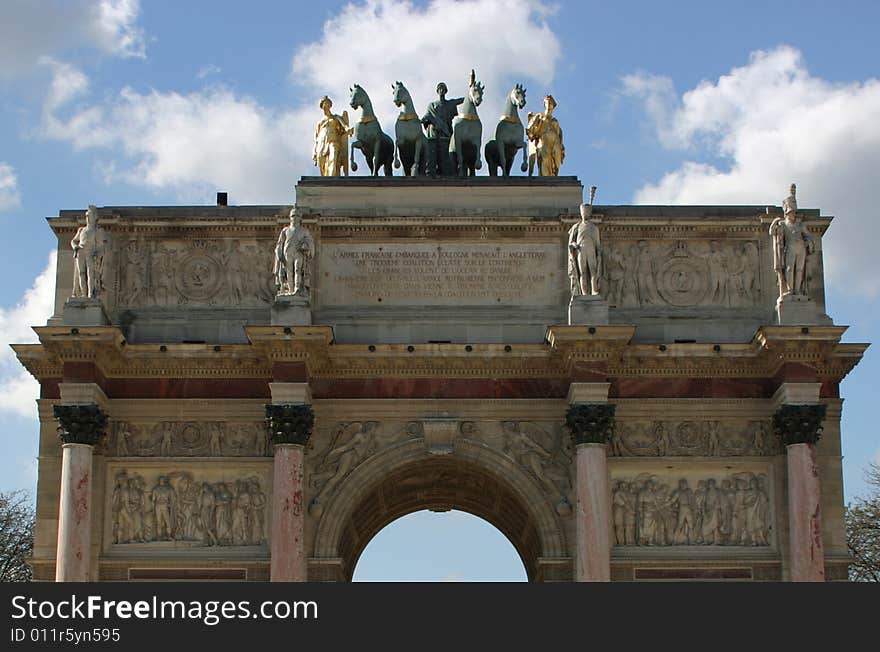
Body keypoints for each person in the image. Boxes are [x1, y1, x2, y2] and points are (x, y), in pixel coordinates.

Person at [769, 183, 814, 299]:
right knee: (789, 269)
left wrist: (809, 243)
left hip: (801, 249)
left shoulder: (800, 225)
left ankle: (797, 291)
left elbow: (808, 236)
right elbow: (772, 232)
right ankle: (789, 289)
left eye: (794, 212)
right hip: (790, 248)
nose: (793, 214)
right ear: (786, 213)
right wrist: (774, 223)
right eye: (791, 212)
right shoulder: (783, 224)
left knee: (799, 269)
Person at [421, 82, 463, 176]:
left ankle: (447, 170)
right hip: (434, 133)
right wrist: (423, 120)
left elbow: (460, 100)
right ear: (437, 91)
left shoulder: (449, 104)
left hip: (445, 134)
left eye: (443, 89)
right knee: (432, 153)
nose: (441, 90)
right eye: (440, 89)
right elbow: (427, 116)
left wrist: (471, 92)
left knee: (446, 154)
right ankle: (430, 171)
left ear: (446, 91)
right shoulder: (432, 105)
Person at [274, 207, 315, 296]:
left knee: (298, 269)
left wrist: (306, 246)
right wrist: (278, 252)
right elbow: (280, 243)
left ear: (300, 218)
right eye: (293, 215)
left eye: (297, 215)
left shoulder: (304, 231)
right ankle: (290, 290)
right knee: (288, 271)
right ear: (290, 217)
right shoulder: (285, 230)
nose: (295, 217)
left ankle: (297, 289)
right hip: (287, 252)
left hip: (299, 252)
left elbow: (309, 241)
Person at [70, 204, 108, 299]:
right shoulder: (81, 230)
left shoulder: (98, 230)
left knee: (90, 274)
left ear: (95, 217)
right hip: (81, 251)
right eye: (86, 215)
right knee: (81, 273)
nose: (87, 217)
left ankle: (90, 294)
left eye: (89, 215)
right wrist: (75, 246)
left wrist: (98, 253)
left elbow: (102, 245)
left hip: (91, 253)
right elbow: (74, 240)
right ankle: (83, 294)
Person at [567, 200, 601, 296]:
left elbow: (597, 244)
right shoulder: (576, 227)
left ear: (589, 213)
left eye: (586, 212)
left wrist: (599, 255)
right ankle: (584, 293)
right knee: (582, 272)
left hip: (591, 249)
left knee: (593, 271)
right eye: (583, 212)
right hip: (580, 250)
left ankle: (594, 291)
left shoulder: (594, 228)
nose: (585, 214)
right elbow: (571, 242)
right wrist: (574, 245)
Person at [526, 95, 565, 176]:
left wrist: (561, 146)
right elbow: (530, 129)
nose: (549, 105)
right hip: (544, 141)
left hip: (555, 141)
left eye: (550, 103)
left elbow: (558, 134)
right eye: (547, 103)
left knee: (557, 159)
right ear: (545, 105)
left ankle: (554, 175)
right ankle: (546, 179)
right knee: (545, 159)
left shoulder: (555, 121)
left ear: (553, 106)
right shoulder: (540, 117)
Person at [313, 96, 351, 176]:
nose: (325, 105)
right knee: (322, 163)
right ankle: (326, 180)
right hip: (321, 144)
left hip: (333, 141)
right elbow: (316, 138)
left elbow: (345, 126)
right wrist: (314, 152)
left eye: (327, 103)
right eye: (323, 104)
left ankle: (332, 178)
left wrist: (348, 130)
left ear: (330, 105)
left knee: (333, 157)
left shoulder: (336, 118)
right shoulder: (320, 122)